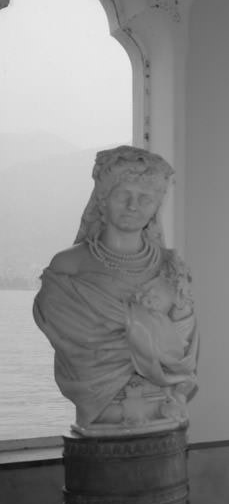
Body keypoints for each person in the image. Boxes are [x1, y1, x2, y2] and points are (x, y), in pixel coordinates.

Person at [33, 145, 199, 435]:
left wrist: (141, 329)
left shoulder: (171, 269)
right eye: (124, 194)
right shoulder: (68, 269)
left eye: (145, 198)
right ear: (103, 199)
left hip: (163, 414)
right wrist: (144, 326)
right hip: (101, 418)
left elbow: (180, 352)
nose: (133, 205)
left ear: (156, 206)